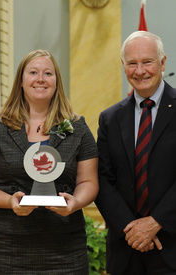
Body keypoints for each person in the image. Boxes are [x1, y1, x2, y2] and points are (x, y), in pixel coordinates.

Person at [0, 49, 99, 274]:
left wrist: (75, 203)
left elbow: (89, 181)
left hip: (66, 247)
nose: (40, 79)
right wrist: (10, 202)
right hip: (9, 246)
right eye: (33, 72)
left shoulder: (78, 128)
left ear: (57, 81)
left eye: (48, 73)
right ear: (20, 80)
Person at [95, 30, 176, 275]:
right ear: (123, 66)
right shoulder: (110, 118)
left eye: (147, 62)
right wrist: (132, 229)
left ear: (162, 62)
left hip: (172, 247)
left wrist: (155, 222)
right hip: (125, 250)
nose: (140, 71)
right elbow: (102, 178)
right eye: (132, 63)